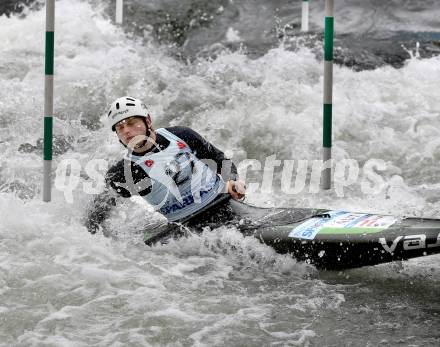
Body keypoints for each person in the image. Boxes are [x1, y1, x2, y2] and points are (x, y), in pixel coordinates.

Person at [85, 96, 246, 243]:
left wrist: (232, 179)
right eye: (120, 127)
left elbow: (220, 159)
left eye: (132, 122)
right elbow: (97, 214)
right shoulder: (124, 173)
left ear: (148, 121)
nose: (126, 130)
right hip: (189, 229)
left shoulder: (182, 135)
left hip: (225, 205)